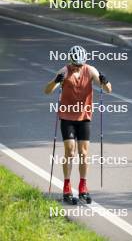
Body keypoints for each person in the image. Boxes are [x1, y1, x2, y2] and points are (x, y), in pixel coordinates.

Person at [45, 45, 112, 202]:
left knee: (83, 152)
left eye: (80, 65)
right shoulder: (64, 71)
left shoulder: (90, 70)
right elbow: (47, 91)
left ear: (84, 62)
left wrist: (105, 81)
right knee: (70, 150)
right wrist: (56, 81)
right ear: (70, 61)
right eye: (75, 65)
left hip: (84, 117)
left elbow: (108, 89)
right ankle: (67, 186)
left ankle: (83, 186)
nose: (77, 68)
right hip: (67, 116)